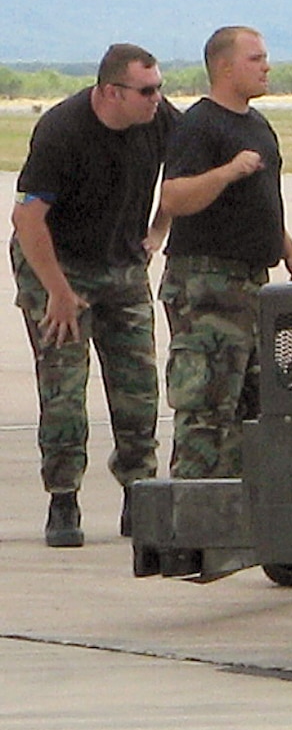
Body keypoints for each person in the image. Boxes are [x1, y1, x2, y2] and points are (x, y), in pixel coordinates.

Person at [10, 44, 177, 547]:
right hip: (57, 264)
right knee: (64, 386)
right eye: (146, 91)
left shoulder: (160, 120)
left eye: (159, 88)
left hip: (121, 261)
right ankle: (63, 499)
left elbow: (184, 171)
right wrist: (57, 293)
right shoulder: (63, 131)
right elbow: (27, 219)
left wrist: (160, 228)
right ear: (110, 92)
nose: (156, 99)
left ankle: (138, 492)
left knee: (138, 385)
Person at [159, 26, 292, 479]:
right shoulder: (200, 125)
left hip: (251, 284)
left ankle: (236, 519)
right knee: (206, 411)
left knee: (251, 409)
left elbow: (262, 200)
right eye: (255, 59)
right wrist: (227, 171)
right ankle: (192, 523)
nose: (266, 67)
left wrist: (289, 252)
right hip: (208, 287)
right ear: (224, 67)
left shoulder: (256, 125)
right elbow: (174, 197)